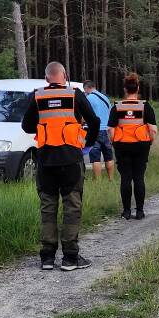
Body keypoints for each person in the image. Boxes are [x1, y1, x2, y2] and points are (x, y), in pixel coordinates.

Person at [21, 62, 99, 271]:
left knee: (48, 207)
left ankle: (47, 258)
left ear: (47, 78)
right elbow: (94, 121)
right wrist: (86, 145)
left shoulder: (36, 95)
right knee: (72, 206)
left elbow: (27, 126)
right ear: (64, 76)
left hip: (46, 160)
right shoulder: (75, 94)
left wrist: (44, 123)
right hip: (71, 160)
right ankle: (70, 258)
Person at [107, 72, 158, 220]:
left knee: (125, 178)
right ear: (138, 88)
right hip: (141, 146)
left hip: (122, 146)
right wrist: (149, 142)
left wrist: (114, 142)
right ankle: (140, 212)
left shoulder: (117, 107)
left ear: (125, 89)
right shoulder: (145, 106)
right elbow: (153, 129)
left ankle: (127, 212)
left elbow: (110, 129)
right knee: (139, 178)